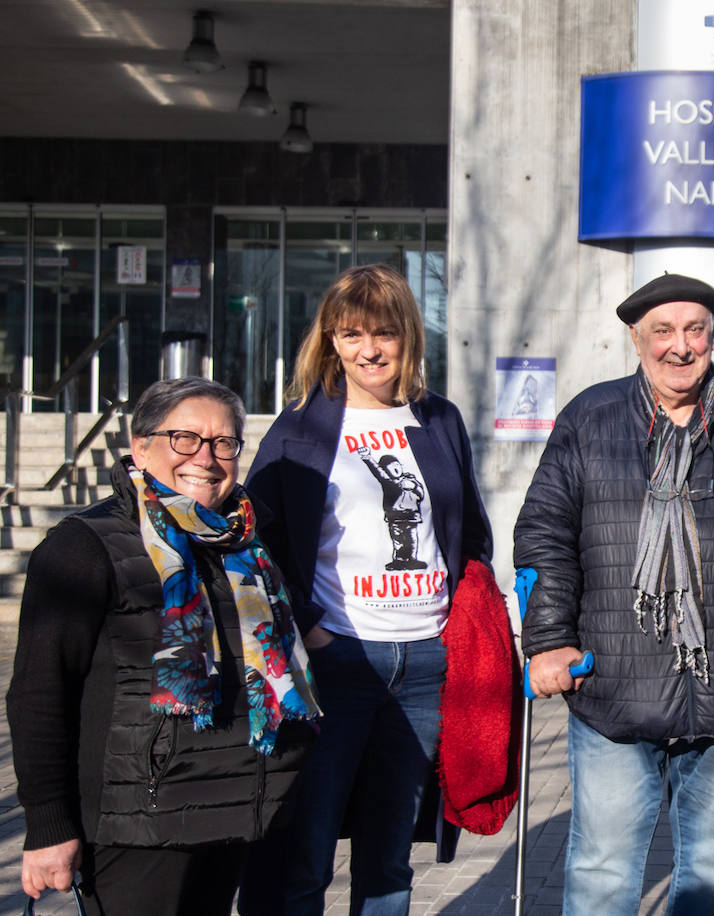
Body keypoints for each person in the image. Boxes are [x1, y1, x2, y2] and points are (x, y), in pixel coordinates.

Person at [514, 273, 714, 916]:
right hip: (613, 689)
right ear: (637, 337)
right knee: (603, 870)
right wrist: (549, 639)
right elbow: (544, 530)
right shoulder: (589, 420)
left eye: (696, 330)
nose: (680, 347)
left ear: (713, 335)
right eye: (663, 331)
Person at [6, 377, 320, 915]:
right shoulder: (83, 547)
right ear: (140, 445)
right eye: (185, 439)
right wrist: (48, 827)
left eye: (224, 442)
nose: (207, 457)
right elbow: (39, 694)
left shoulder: (245, 544)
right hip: (137, 824)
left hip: (232, 811)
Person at [240, 263, 498, 915]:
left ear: (408, 335)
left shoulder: (438, 419)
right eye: (351, 334)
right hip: (338, 662)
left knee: (389, 859)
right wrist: (313, 628)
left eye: (383, 332)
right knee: (307, 851)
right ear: (329, 340)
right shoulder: (301, 426)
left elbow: (468, 531)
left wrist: (458, 626)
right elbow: (255, 544)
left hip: (423, 665)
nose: (370, 349)